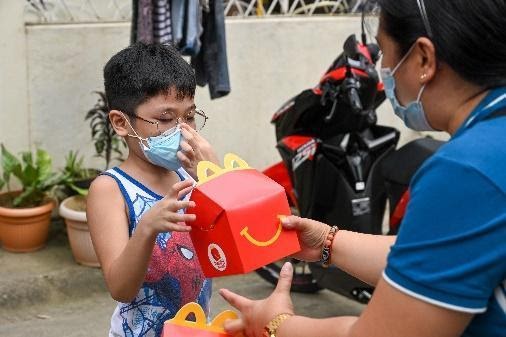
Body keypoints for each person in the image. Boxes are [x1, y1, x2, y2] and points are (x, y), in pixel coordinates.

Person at [220, 1, 506, 336]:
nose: (384, 69)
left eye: (385, 54)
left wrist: (276, 323)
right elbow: (435, 253)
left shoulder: (467, 171)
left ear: (424, 59)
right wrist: (328, 243)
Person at [87, 42, 219, 337]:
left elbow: (230, 248)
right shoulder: (110, 190)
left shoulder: (189, 173)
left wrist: (216, 180)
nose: (183, 130)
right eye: (165, 119)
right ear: (122, 123)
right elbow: (120, 288)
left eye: (189, 117)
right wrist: (147, 228)